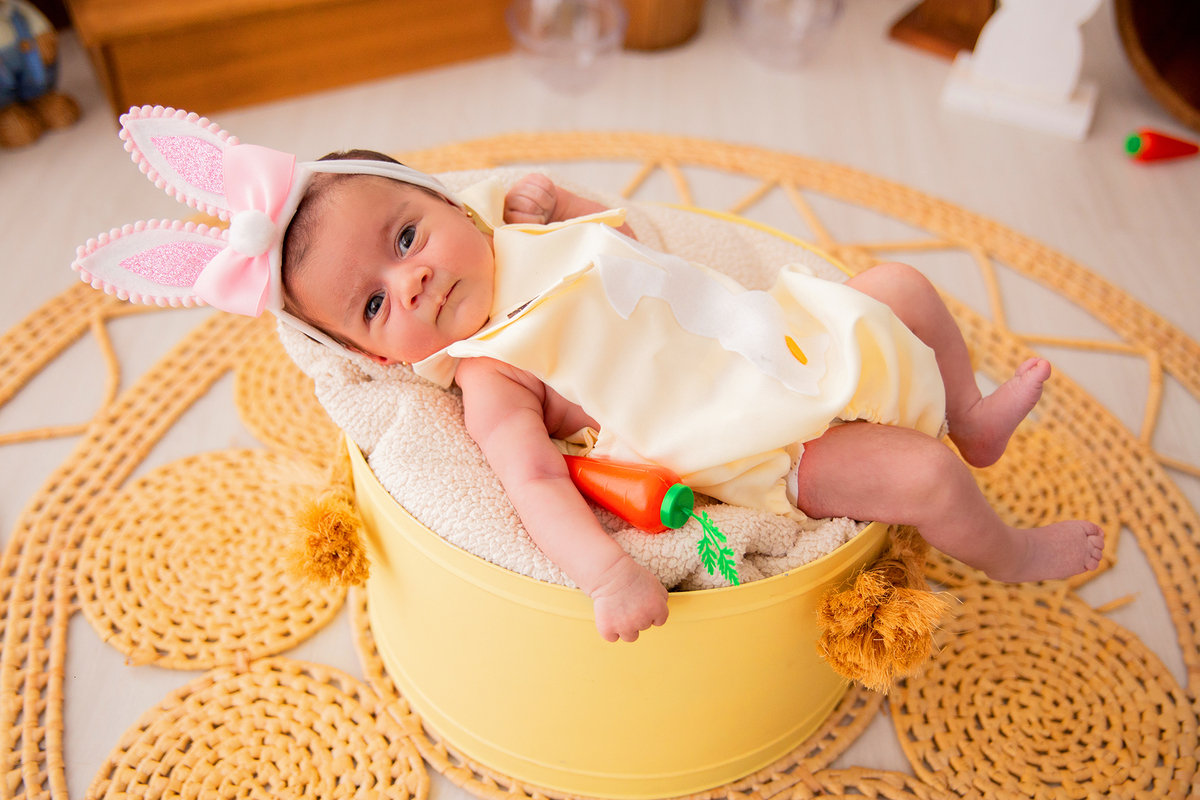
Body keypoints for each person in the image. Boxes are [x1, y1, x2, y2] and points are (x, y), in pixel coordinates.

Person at [278, 151, 1104, 643]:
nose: (411, 280)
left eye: (407, 237)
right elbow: (533, 484)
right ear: (375, 356)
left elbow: (633, 245)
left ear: (455, 205)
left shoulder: (535, 238)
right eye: (376, 305)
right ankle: (1009, 552)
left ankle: (971, 416)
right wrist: (606, 574)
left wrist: (566, 207)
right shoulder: (494, 373)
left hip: (785, 334)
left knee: (904, 288)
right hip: (762, 447)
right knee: (925, 477)